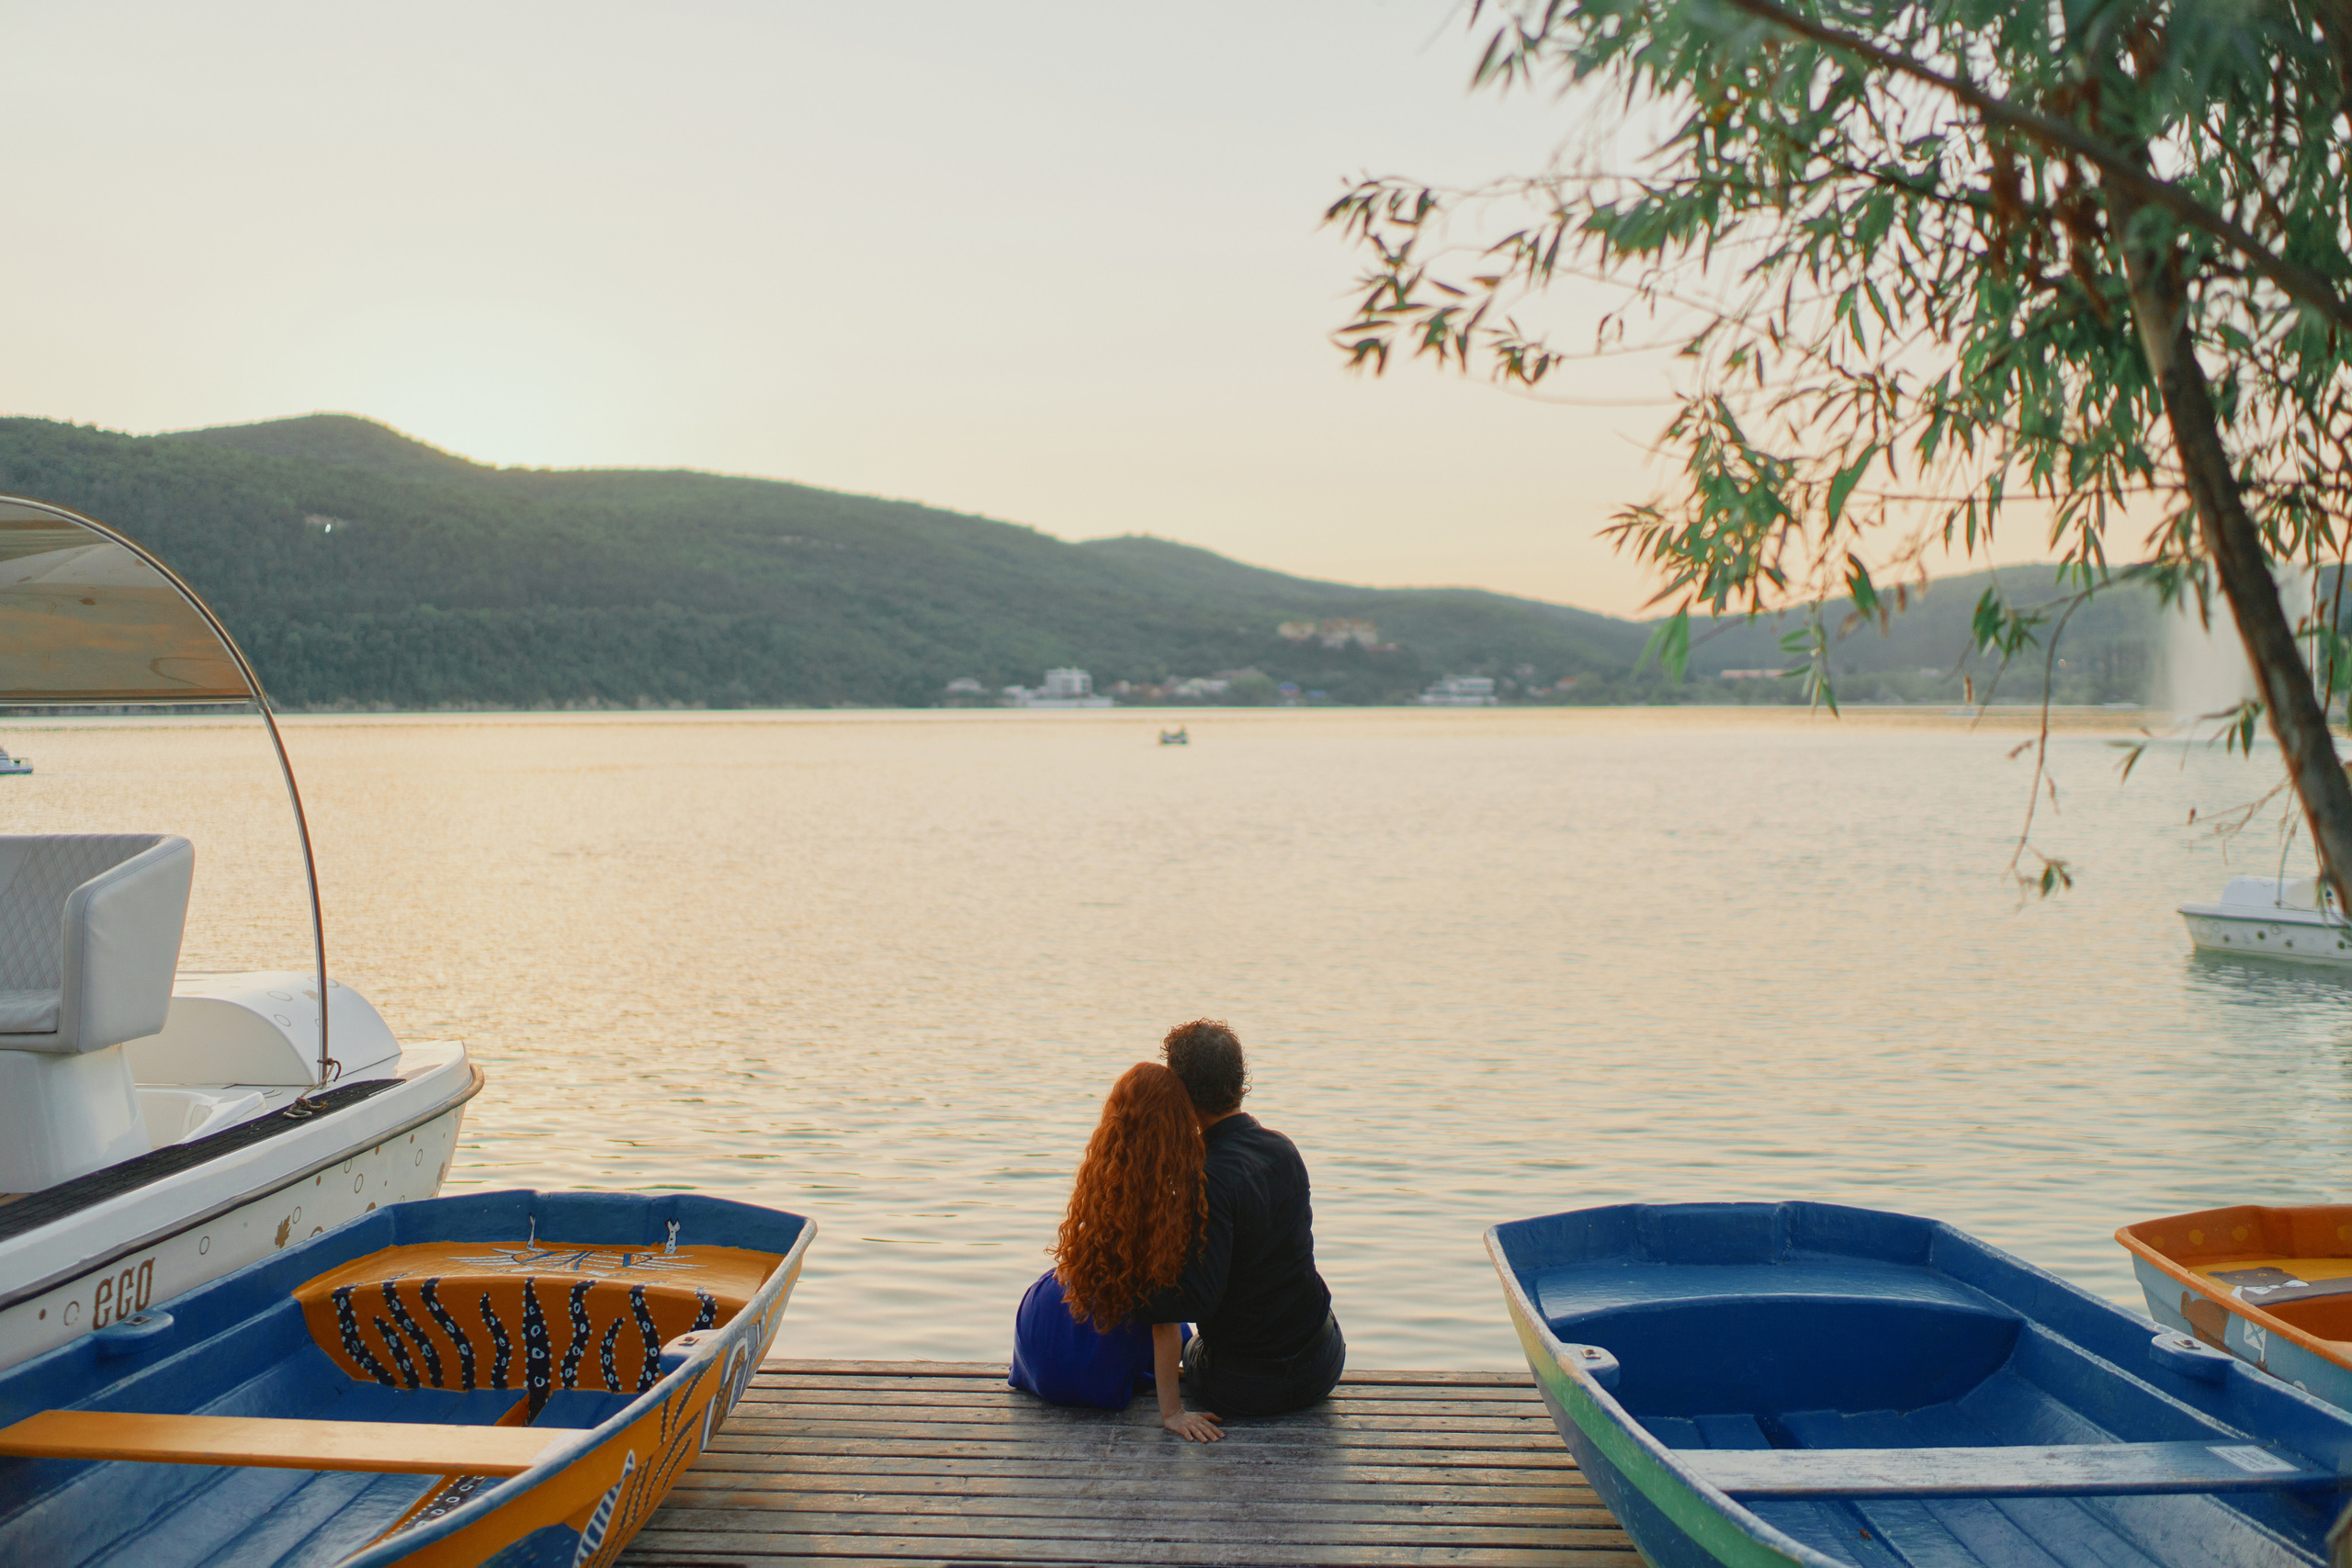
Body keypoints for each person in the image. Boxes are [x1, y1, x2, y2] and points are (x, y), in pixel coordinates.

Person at [1008, 1062, 1226, 1440]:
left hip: (1041, 1339)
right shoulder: (1168, 1199)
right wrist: (1172, 1413)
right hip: (1089, 1365)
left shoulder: (1103, 1168)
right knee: (1182, 1333)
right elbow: (1163, 1321)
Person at [1146, 1018, 1344, 1416]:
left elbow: (1197, 1297)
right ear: (1239, 1079)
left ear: (1182, 1093)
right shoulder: (1284, 1150)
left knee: (1188, 1345)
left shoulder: (1204, 1178)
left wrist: (1128, 1297)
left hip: (1244, 1387)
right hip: (1323, 1364)